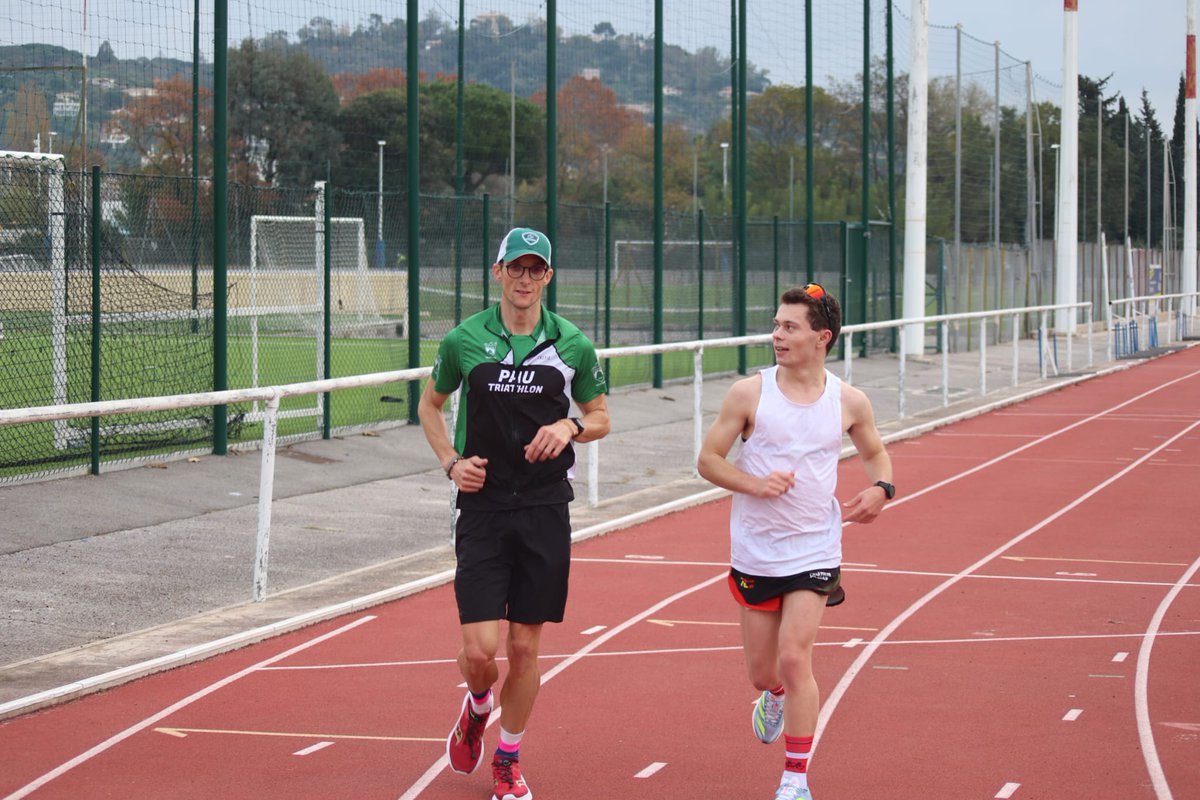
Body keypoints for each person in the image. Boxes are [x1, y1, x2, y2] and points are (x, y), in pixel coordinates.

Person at [418, 227, 610, 800]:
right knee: (480, 652)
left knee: (524, 648)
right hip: (482, 506)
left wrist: (569, 425)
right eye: (516, 268)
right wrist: (451, 463)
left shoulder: (571, 343)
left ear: (548, 277)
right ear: (497, 270)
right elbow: (431, 405)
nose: (526, 279)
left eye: (537, 269)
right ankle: (477, 705)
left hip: (546, 507)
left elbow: (600, 415)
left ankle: (508, 758)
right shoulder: (464, 340)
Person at [697, 284, 894, 800]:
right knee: (764, 673)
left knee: (794, 654)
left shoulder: (849, 400)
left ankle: (795, 779)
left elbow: (876, 454)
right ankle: (775, 698)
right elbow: (708, 461)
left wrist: (881, 488)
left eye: (789, 327)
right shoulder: (749, 393)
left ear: (821, 337)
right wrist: (755, 484)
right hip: (757, 550)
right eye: (776, 325)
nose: (776, 335)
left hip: (815, 546)